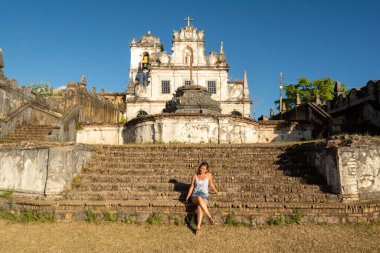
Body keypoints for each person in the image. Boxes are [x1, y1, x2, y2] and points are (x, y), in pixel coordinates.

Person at [185, 162, 218, 235]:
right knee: (199, 198)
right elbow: (192, 187)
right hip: (195, 196)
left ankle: (198, 227)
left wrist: (216, 192)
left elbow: (211, 184)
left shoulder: (208, 175)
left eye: (204, 169)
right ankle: (209, 216)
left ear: (206, 170)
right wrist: (187, 198)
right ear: (199, 167)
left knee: (200, 207)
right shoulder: (195, 175)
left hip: (204, 195)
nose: (202, 170)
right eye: (201, 168)